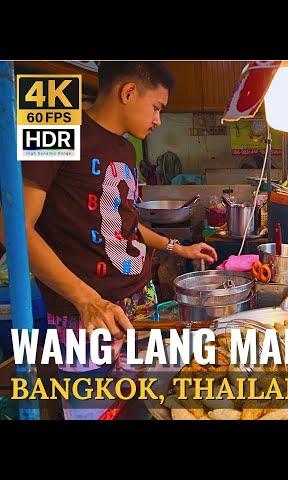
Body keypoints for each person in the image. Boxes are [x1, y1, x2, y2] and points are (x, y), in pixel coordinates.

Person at [0, 62, 218, 418]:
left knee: (144, 407)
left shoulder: (126, 149)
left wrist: (176, 247)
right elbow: (13, 229)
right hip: (85, 318)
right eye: (157, 108)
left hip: (137, 305)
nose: (158, 120)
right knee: (94, 412)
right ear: (129, 92)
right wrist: (88, 301)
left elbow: (124, 223)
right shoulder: (55, 123)